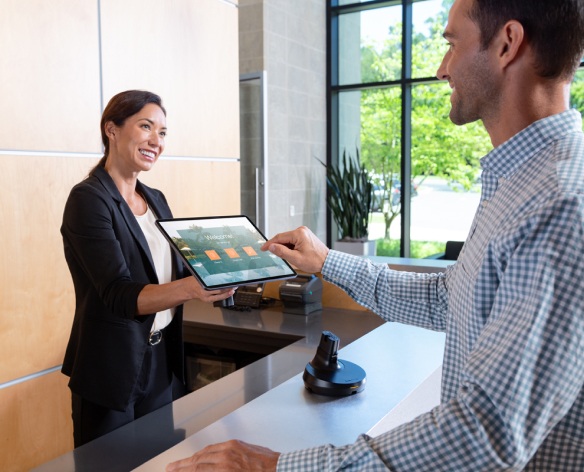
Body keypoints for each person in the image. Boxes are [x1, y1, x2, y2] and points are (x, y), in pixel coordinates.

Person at [166, 0, 584, 470]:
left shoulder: (559, 204)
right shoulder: (520, 183)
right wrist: (325, 260)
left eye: (452, 44)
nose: (442, 69)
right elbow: (450, 300)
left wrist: (273, 467)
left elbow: (483, 434)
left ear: (507, 43)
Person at [60, 90, 235, 447]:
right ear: (112, 129)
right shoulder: (88, 200)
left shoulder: (156, 199)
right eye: (146, 126)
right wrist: (192, 289)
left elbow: (179, 272)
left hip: (160, 360)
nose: (157, 141)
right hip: (110, 367)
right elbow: (119, 294)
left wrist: (233, 268)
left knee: (159, 462)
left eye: (164, 132)